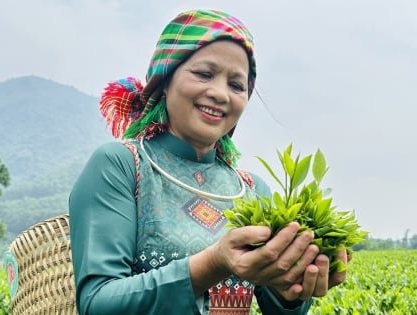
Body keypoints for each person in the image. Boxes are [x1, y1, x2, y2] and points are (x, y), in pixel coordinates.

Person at [69, 8, 349, 315]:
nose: (219, 93)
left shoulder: (252, 190)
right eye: (204, 74)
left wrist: (293, 291)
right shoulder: (122, 165)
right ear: (165, 80)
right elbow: (97, 304)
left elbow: (278, 309)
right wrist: (213, 263)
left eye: (236, 85)